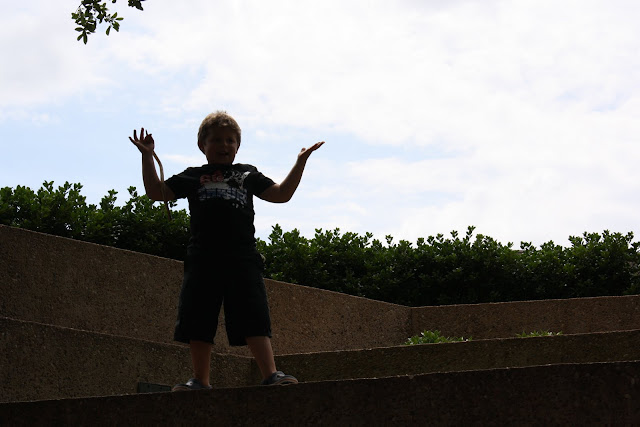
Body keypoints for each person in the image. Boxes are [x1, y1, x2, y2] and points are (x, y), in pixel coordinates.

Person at [129, 111, 324, 390]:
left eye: (230, 140)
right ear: (202, 145)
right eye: (217, 140)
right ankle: (200, 380)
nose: (224, 145)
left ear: (238, 146)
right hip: (203, 258)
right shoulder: (193, 175)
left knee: (253, 314)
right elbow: (156, 192)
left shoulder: (247, 173)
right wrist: (147, 157)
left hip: (242, 257)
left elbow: (281, 194)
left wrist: (300, 162)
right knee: (198, 317)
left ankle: (271, 375)